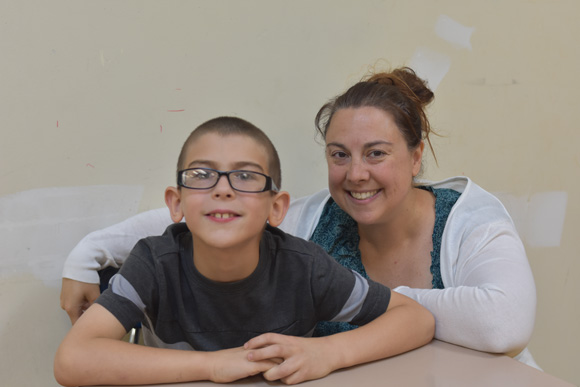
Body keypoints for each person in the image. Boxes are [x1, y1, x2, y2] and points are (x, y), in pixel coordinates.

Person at [60, 67, 539, 368]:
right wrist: (88, 255)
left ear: (416, 158)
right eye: (338, 154)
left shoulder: (471, 221)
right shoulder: (311, 219)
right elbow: (213, 215)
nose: (356, 174)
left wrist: (349, 326)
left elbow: (503, 324)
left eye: (376, 153)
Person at [54, 116, 434, 387]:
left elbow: (415, 320)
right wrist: (212, 365)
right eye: (201, 174)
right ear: (176, 203)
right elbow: (73, 361)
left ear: (276, 209)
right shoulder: (153, 263)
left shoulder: (304, 267)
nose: (222, 189)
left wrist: (329, 353)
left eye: (246, 175)